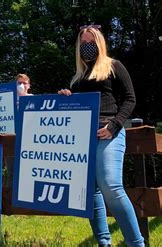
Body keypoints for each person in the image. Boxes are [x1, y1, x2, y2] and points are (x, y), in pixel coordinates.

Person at [58, 26, 143, 247]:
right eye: (83, 43)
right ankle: (104, 242)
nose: (87, 47)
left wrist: (114, 125)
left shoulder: (114, 66)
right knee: (89, 191)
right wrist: (66, 97)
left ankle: (136, 243)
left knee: (111, 186)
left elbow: (130, 99)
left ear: (100, 43)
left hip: (109, 134)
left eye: (91, 42)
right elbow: (74, 110)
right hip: (82, 138)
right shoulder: (77, 78)